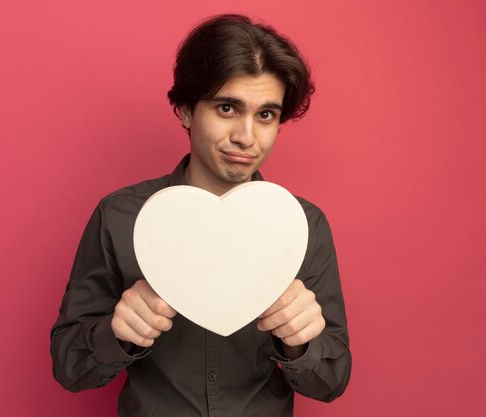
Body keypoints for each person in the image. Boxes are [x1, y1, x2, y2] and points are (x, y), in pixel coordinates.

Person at [50, 14, 351, 417]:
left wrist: (300, 341)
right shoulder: (121, 217)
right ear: (186, 111)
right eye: (227, 108)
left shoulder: (303, 226)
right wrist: (116, 334)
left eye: (266, 115)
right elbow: (69, 368)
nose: (247, 137)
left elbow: (333, 381)